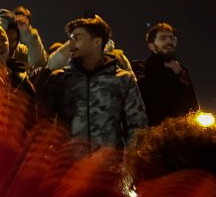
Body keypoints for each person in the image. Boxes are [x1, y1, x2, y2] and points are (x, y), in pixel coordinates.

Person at [37, 16, 147, 152]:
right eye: (70, 38)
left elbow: (137, 126)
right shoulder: (60, 79)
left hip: (109, 168)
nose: (71, 44)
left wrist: (131, 164)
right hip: (68, 168)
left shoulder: (122, 80)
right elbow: (44, 125)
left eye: (77, 38)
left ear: (97, 42)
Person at [132, 22, 199, 125]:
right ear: (151, 45)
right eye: (163, 38)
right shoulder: (140, 67)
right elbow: (144, 92)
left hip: (182, 134)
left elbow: (193, 104)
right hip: (152, 134)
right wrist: (170, 72)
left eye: (172, 38)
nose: (169, 41)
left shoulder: (182, 71)